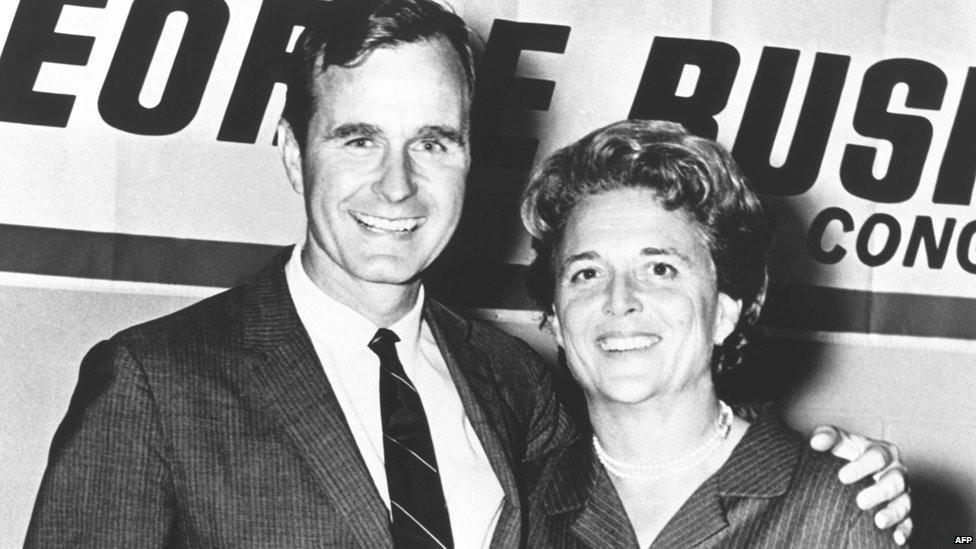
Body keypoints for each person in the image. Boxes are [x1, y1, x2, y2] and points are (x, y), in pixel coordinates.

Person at [25, 1, 909, 547]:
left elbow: (674, 447)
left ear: (471, 161)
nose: (398, 184)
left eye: (433, 142)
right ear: (294, 155)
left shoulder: (517, 388)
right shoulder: (154, 382)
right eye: (359, 137)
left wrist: (834, 470)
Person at [521, 119, 910, 547]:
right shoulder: (522, 505)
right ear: (556, 319)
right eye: (587, 272)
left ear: (724, 313)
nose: (619, 300)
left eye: (660, 269)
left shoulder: (829, 506)